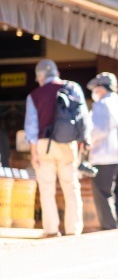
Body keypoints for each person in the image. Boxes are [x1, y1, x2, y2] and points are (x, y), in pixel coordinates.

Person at [24, 59, 90, 237]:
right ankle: (73, 229)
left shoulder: (34, 96)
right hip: (68, 144)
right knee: (71, 186)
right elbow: (83, 117)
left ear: (39, 76)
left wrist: (33, 153)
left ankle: (51, 230)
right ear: (57, 74)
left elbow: (31, 127)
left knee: (47, 188)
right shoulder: (72, 88)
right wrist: (83, 142)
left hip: (44, 144)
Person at [87, 72, 118, 230]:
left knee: (103, 194)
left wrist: (88, 142)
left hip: (105, 157)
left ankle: (109, 230)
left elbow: (96, 129)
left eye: (96, 89)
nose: (95, 93)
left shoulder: (102, 105)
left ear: (101, 89)